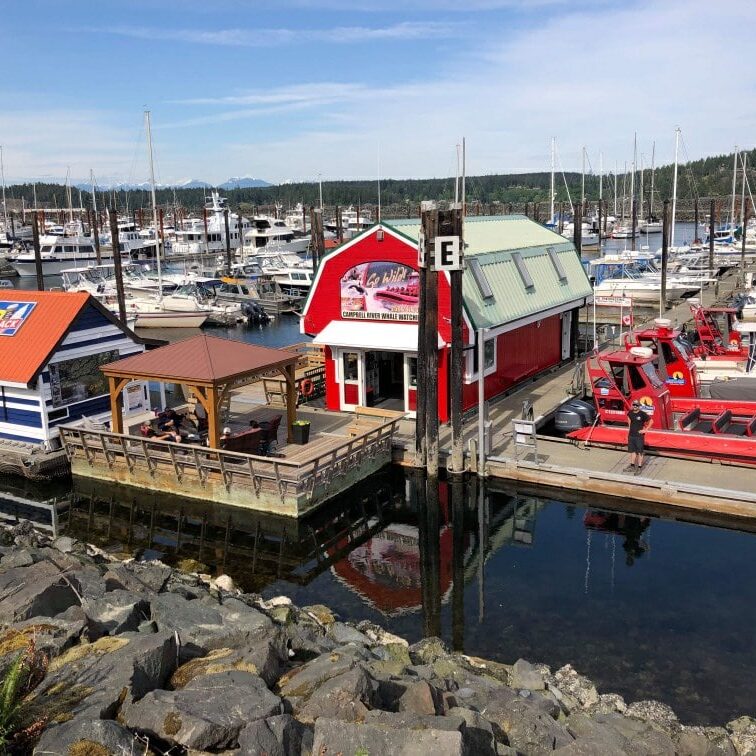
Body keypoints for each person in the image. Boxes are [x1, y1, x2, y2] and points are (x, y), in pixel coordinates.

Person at [625, 400, 652, 474]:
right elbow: (629, 419)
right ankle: (632, 466)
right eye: (634, 405)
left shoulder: (642, 414)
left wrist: (645, 430)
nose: (635, 406)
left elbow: (651, 421)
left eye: (636, 405)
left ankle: (639, 467)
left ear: (639, 406)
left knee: (640, 452)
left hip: (639, 436)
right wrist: (629, 429)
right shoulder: (630, 412)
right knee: (632, 451)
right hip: (631, 435)